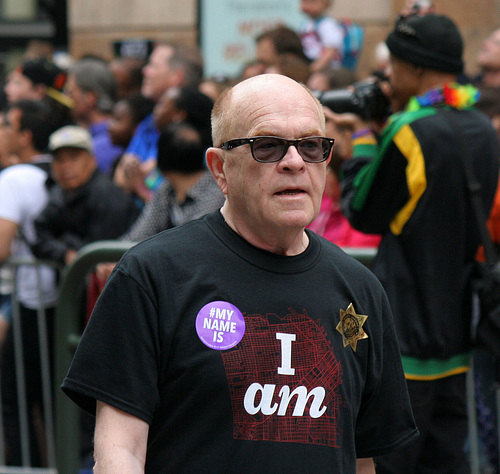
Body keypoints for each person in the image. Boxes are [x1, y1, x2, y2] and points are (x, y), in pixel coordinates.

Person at [61, 73, 417, 473]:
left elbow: (363, 459)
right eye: (267, 146)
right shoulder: (152, 276)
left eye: (312, 145)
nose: (295, 162)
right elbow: (119, 452)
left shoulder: (360, 289)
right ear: (219, 169)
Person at [337, 14, 500, 473]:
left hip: (404, 330)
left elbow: (364, 211)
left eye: (394, 64)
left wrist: (366, 140)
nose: (388, 75)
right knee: (447, 460)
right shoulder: (483, 130)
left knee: (391, 461)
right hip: (457, 329)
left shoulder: (411, 131)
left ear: (415, 68)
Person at [0, 99, 59, 467]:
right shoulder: (49, 172)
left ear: (24, 136)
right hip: (50, 299)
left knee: (17, 399)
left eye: (7, 124)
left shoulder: (16, 178)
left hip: (31, 300)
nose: (1, 131)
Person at [31, 125, 139, 267]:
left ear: (91, 160)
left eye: (73, 158)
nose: (66, 166)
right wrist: (64, 252)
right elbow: (40, 236)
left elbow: (101, 250)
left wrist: (67, 240)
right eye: (59, 160)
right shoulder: (59, 193)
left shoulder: (108, 196)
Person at [114, 42, 204, 202]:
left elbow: (176, 200)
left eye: (153, 66)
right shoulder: (148, 122)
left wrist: (140, 182)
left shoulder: (195, 132)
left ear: (176, 76)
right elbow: (121, 178)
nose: (145, 71)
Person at [65, 58, 124, 176]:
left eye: (70, 92)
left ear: (90, 97)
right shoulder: (94, 135)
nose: (66, 97)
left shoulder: (105, 144)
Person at [299, 0, 344, 72]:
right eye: (304, 2)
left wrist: (313, 69)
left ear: (326, 4)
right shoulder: (306, 24)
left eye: (312, 2)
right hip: (310, 63)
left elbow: (330, 51)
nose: (307, 6)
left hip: (329, 67)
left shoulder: (327, 24)